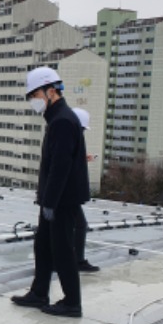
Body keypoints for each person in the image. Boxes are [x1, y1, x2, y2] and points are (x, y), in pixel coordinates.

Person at [11, 67, 90, 317]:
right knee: (43, 245)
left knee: (63, 249)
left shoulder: (63, 121)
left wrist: (51, 203)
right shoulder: (57, 118)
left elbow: (61, 166)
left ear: (51, 92)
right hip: (53, 198)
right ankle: (39, 292)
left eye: (35, 95)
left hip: (61, 200)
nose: (33, 101)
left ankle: (72, 302)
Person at [71, 107, 100, 273]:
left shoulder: (70, 136)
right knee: (79, 225)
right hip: (68, 194)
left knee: (72, 226)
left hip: (66, 194)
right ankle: (77, 260)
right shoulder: (71, 137)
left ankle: (72, 260)